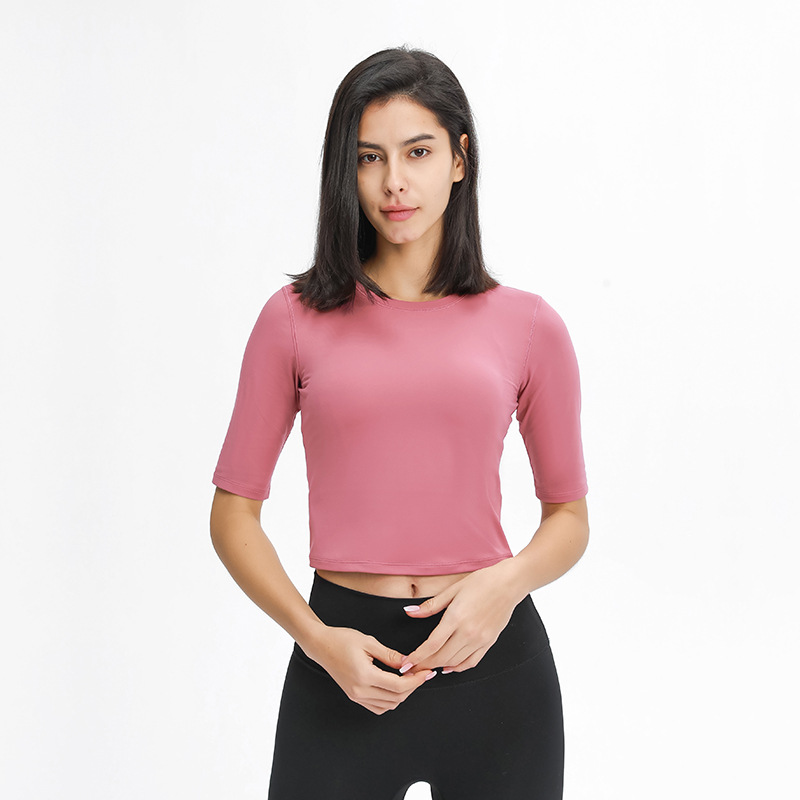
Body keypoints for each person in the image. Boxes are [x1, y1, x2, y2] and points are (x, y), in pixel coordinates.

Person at [209, 45, 589, 800]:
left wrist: (506, 585)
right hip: (340, 663)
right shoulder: (293, 320)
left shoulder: (529, 325)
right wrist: (317, 641)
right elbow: (232, 515)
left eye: (418, 152)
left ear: (459, 159)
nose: (394, 182)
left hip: (493, 665)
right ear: (344, 171)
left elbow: (569, 519)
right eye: (369, 157)